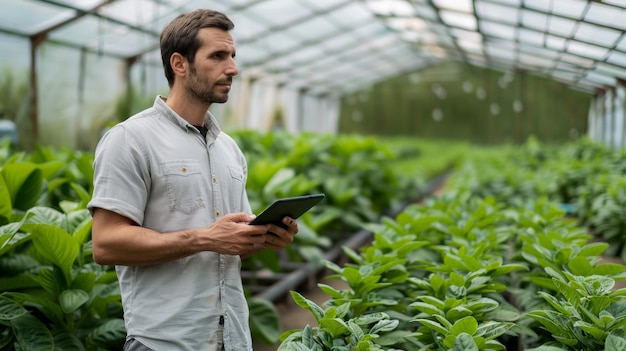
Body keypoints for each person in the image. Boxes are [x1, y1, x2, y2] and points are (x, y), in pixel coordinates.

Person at [88, 9, 298, 351]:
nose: (232, 68)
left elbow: (231, 244)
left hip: (232, 338)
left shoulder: (228, 149)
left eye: (232, 56)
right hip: (165, 341)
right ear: (179, 64)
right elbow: (106, 243)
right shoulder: (130, 139)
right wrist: (204, 238)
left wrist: (264, 236)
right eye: (217, 56)